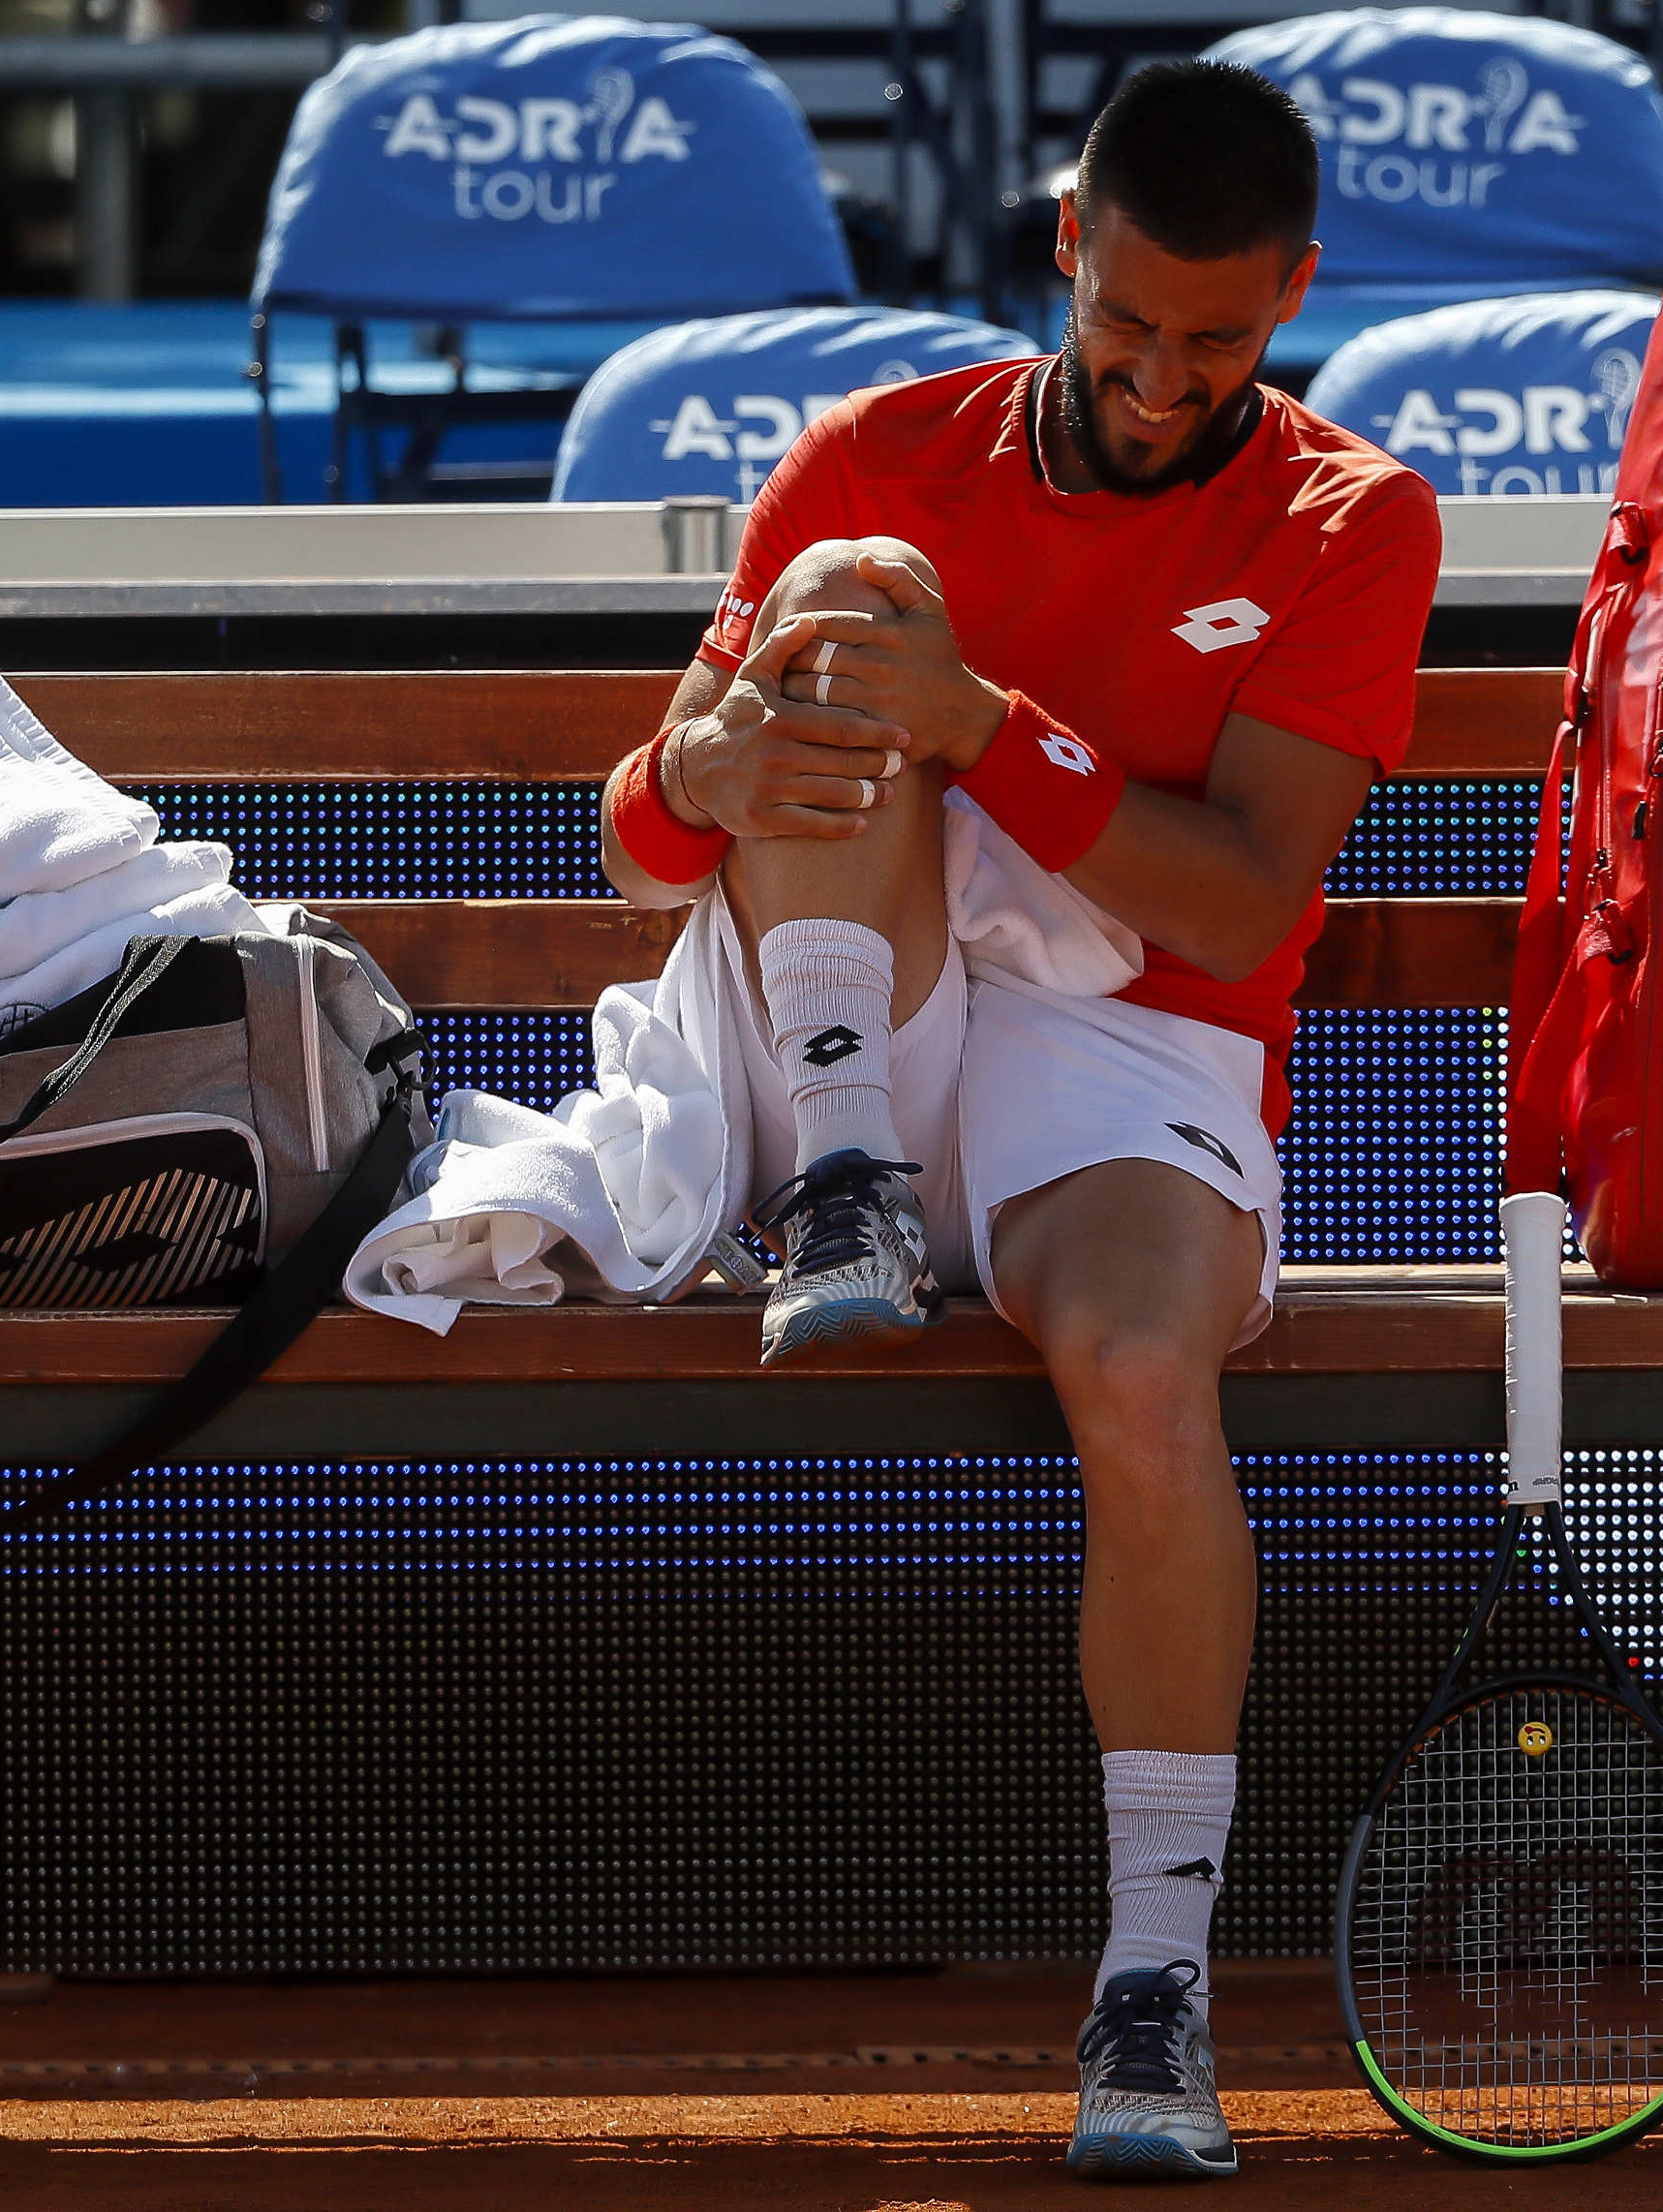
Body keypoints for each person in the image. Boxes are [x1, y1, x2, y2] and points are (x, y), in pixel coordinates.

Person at [599, 59, 1437, 2182]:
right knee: (860, 588)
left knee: (1151, 1377)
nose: (1163, 383)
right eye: (1133, 323)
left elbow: (1249, 897)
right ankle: (852, 1183)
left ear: (1297, 298)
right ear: (1067, 246)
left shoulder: (1356, 516)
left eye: (1220, 342)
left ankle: (1151, 1987)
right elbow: (647, 823)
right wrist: (704, 776)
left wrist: (982, 731)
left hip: (1140, 1061)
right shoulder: (878, 456)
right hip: (838, 1031)